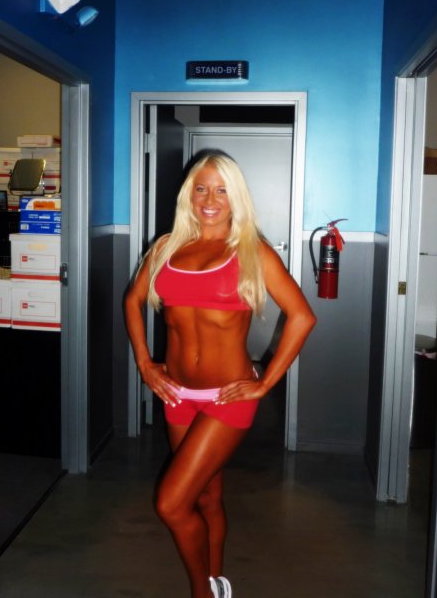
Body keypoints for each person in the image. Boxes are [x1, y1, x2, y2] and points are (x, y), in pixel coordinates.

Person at [124, 151, 316, 598]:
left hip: (226, 399)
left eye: (222, 190)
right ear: (188, 195)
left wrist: (265, 382)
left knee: (171, 504)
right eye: (201, 189)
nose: (210, 199)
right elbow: (133, 300)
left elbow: (303, 316)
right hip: (176, 395)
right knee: (206, 496)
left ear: (236, 198)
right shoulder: (166, 248)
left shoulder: (251, 251)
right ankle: (218, 579)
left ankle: (203, 592)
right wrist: (144, 363)